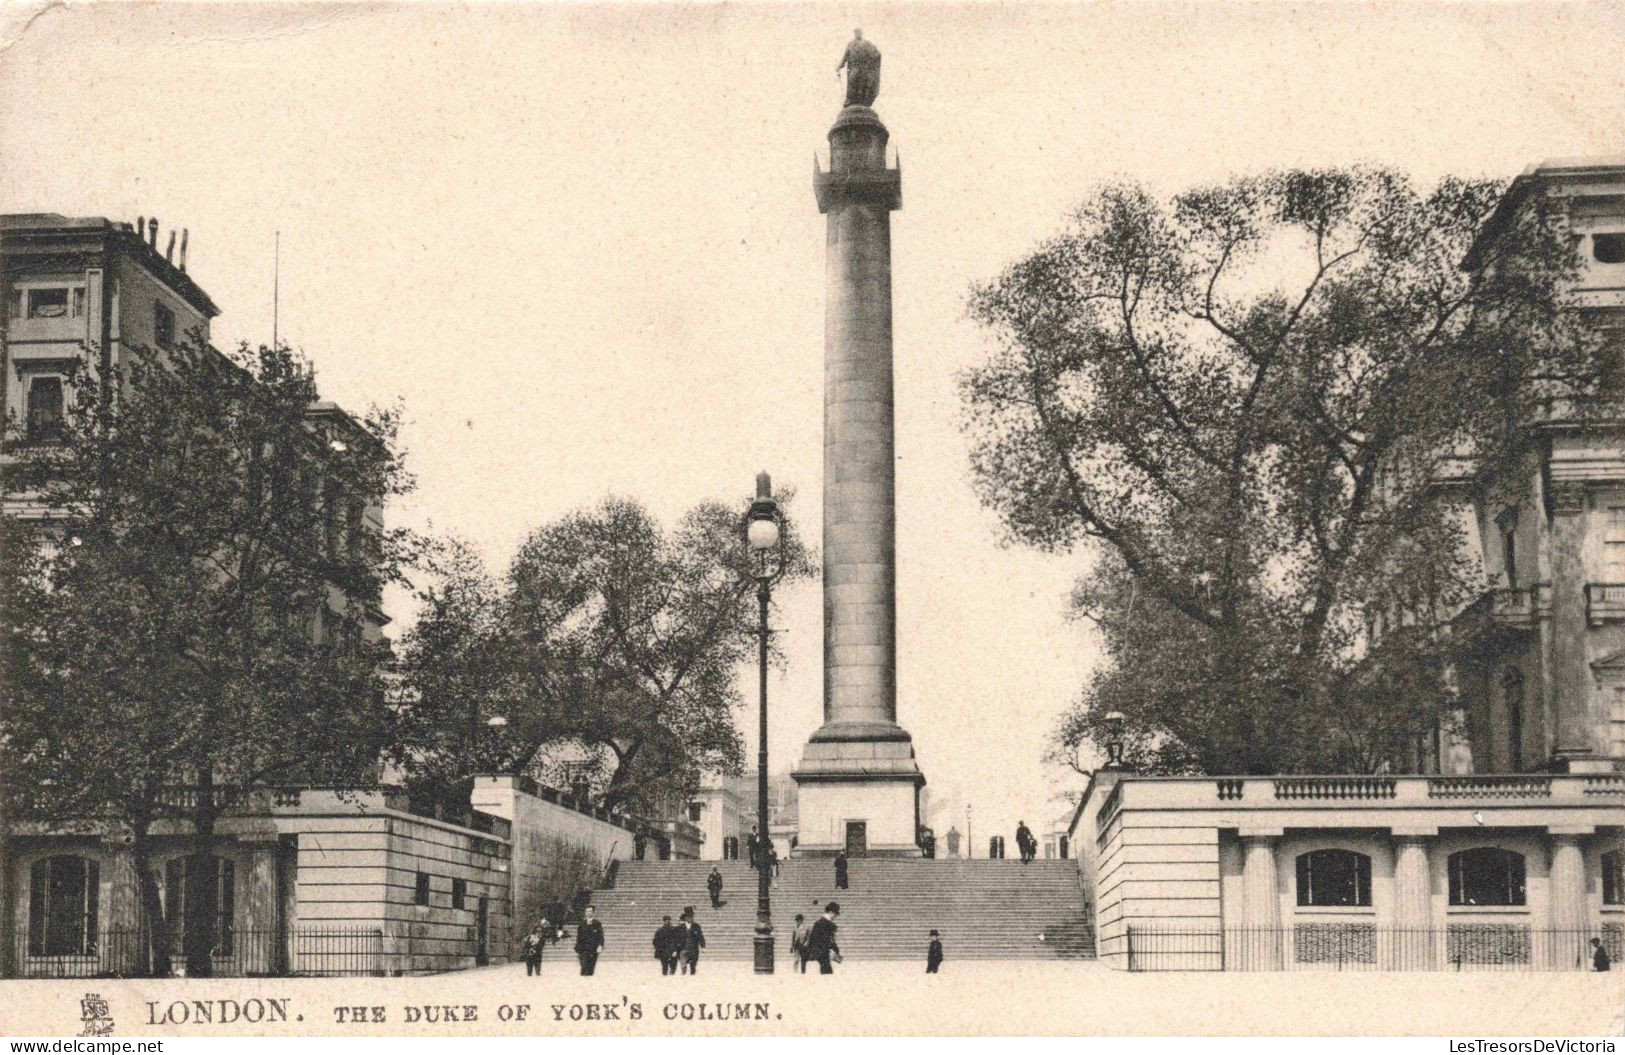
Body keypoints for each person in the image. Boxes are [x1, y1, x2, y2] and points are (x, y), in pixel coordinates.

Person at [806, 902, 842, 974]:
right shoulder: (826, 924)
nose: (835, 917)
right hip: (822, 955)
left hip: (820, 954)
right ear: (831, 912)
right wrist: (834, 951)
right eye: (835, 914)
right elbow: (828, 940)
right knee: (827, 972)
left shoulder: (819, 923)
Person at [574, 905, 605, 976]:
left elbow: (601, 936)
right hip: (583, 949)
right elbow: (579, 937)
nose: (588, 913)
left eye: (590, 911)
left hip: (593, 949)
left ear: (593, 912)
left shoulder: (597, 923)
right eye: (587, 911)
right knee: (584, 967)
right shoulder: (582, 924)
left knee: (591, 969)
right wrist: (577, 948)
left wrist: (600, 945)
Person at [680, 907, 706, 975]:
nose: (690, 918)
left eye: (691, 916)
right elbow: (676, 938)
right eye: (688, 917)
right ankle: (683, 978)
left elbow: (700, 937)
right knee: (683, 966)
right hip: (684, 949)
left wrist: (703, 946)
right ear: (685, 918)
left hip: (693, 949)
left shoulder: (696, 926)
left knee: (693, 966)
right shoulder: (680, 927)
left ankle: (692, 977)